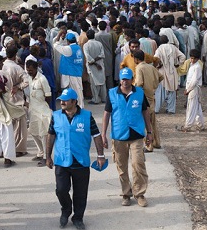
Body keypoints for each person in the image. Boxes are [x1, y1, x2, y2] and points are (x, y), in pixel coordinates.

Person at [46, 88, 106, 230]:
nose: (62, 102)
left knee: (80, 193)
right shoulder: (56, 116)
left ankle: (78, 217)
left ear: (74, 102)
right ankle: (66, 210)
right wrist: (47, 156)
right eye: (61, 100)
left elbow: (96, 135)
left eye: (66, 100)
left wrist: (100, 155)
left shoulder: (86, 116)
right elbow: (51, 135)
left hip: (80, 161)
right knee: (61, 190)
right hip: (62, 160)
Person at [100, 68, 154, 208]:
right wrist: (103, 134)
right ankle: (126, 193)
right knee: (122, 167)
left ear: (132, 79)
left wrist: (149, 131)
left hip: (136, 134)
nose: (125, 81)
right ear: (120, 79)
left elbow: (145, 112)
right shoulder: (112, 93)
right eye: (123, 79)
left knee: (138, 164)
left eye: (128, 79)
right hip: (119, 136)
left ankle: (139, 193)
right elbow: (106, 114)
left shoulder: (139, 93)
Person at [131, 50, 163, 152]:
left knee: (145, 122)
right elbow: (161, 76)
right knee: (152, 121)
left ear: (136, 59)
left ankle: (149, 146)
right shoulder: (151, 67)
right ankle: (156, 142)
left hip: (143, 97)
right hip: (151, 95)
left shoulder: (139, 68)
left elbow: (139, 83)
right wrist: (153, 85)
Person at [1, 46, 30, 157]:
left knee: (10, 125)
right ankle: (19, 149)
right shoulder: (17, 68)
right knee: (20, 126)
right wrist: (19, 87)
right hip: (17, 99)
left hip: (6, 98)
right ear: (15, 56)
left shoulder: (2, 67)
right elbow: (27, 81)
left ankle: (9, 147)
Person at [25, 59, 52, 166]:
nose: (29, 72)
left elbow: (48, 95)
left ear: (36, 69)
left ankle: (46, 156)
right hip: (32, 110)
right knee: (33, 131)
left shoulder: (42, 79)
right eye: (27, 70)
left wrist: (45, 107)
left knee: (43, 134)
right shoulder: (29, 78)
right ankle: (40, 152)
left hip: (42, 111)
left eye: (31, 70)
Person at [154, 35, 185, 115]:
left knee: (160, 91)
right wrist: (178, 64)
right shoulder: (173, 47)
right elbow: (182, 56)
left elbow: (155, 59)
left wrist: (158, 65)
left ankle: (156, 109)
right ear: (168, 40)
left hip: (162, 71)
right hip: (172, 71)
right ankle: (171, 109)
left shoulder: (159, 49)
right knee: (172, 91)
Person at [54, 32, 85, 108]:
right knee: (78, 90)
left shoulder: (68, 49)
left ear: (68, 41)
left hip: (71, 74)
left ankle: (79, 107)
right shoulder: (78, 48)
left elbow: (55, 45)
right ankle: (77, 106)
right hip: (77, 72)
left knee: (75, 92)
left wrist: (59, 35)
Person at [182, 49, 204, 132]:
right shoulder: (192, 65)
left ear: (198, 59)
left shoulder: (197, 67)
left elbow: (194, 80)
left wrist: (188, 90)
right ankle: (200, 125)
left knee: (191, 108)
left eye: (194, 58)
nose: (192, 60)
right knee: (197, 108)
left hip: (194, 89)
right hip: (191, 88)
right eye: (191, 58)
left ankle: (187, 126)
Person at [82, 30, 106, 105]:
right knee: (102, 82)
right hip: (100, 65)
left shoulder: (86, 45)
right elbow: (102, 55)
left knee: (94, 84)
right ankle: (104, 98)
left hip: (92, 66)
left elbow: (88, 57)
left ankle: (96, 99)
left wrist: (94, 63)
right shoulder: (99, 44)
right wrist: (97, 63)